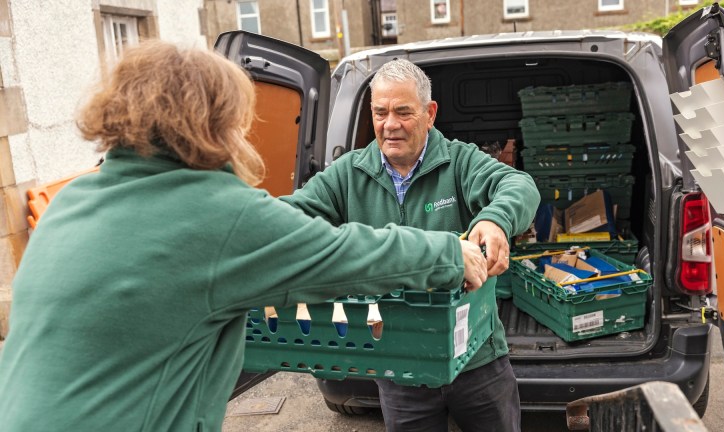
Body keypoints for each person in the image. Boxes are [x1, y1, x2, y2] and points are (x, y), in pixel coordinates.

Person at [0, 41, 491, 431]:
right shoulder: (216, 215)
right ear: (215, 122)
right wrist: (451, 252)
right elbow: (348, 254)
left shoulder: (71, 202)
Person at [282, 59, 540, 432]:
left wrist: (495, 218)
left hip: (476, 359)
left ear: (429, 113)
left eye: (403, 112)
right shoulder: (347, 174)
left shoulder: (459, 161)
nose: (390, 125)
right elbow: (291, 217)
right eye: (380, 112)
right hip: (398, 361)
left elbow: (518, 185)